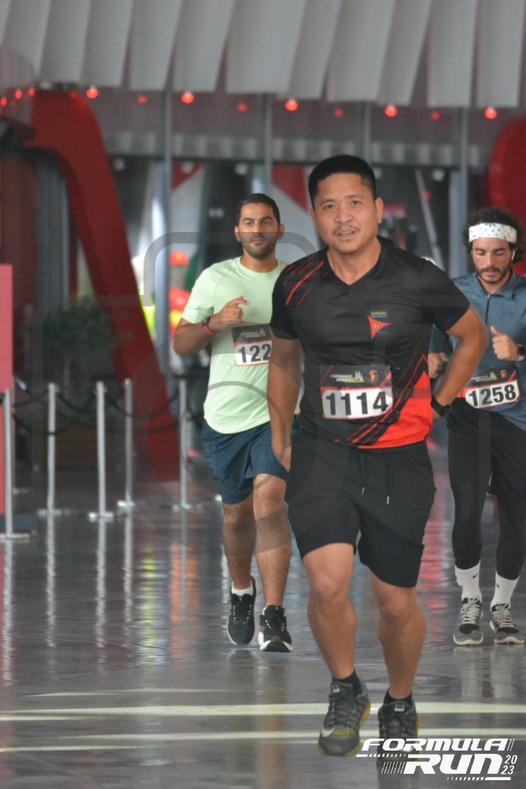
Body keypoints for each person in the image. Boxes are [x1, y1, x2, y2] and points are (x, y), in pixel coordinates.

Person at [268, 155, 486, 756]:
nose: (343, 217)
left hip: (398, 459)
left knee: (395, 601)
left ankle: (399, 697)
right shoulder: (296, 283)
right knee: (326, 583)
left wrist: (440, 403)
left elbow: (471, 337)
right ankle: (345, 688)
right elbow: (283, 360)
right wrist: (281, 433)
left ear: (378, 209)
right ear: (315, 214)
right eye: (329, 206)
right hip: (323, 452)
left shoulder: (417, 278)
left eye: (355, 203)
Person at [174, 194, 293, 653]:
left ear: (279, 229)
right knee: (237, 514)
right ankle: (242, 590)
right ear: (237, 231)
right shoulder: (215, 278)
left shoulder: (295, 281)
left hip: (280, 413)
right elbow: (181, 343)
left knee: (270, 499)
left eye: (265, 221)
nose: (257, 229)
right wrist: (215, 324)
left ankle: (274, 614)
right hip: (226, 416)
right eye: (248, 222)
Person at [429, 207, 526, 647]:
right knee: (467, 511)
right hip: (468, 415)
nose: (489, 262)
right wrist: (435, 358)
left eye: (498, 253)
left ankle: (502, 606)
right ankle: (470, 599)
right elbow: (435, 343)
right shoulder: (453, 293)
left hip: (517, 419)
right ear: (471, 251)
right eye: (481, 252)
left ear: (513, 252)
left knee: (516, 515)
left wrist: (519, 352)